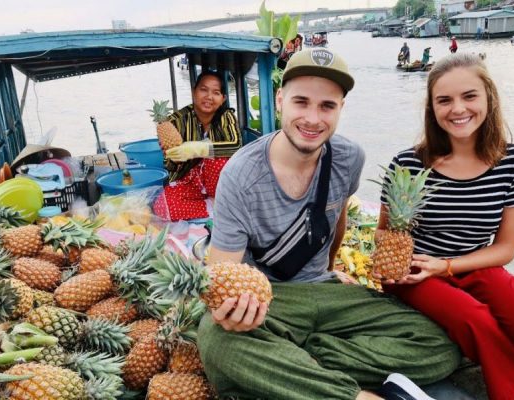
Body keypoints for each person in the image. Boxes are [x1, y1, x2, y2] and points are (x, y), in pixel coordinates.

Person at [197, 48, 461, 400]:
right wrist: (230, 313)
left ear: (340, 110)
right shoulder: (239, 176)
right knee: (215, 338)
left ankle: (294, 365)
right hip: (273, 300)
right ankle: (355, 395)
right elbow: (220, 278)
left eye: (327, 106)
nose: (312, 118)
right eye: (301, 102)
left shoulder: (349, 157)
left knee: (439, 347)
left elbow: (336, 218)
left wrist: (333, 268)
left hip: (328, 292)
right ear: (280, 101)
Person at [377, 53, 514, 400]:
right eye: (444, 100)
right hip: (415, 272)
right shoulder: (407, 163)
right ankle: (511, 387)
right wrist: (412, 265)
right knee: (474, 319)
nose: (457, 109)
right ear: (432, 108)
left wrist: (447, 266)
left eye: (469, 96)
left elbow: (505, 249)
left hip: (476, 266)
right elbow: (384, 233)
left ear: (489, 97)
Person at [153, 70, 241, 221]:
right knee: (162, 206)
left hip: (220, 183)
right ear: (194, 92)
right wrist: (175, 157)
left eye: (216, 92)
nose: (209, 97)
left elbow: (236, 145)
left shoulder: (226, 117)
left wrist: (199, 149)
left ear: (223, 98)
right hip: (190, 180)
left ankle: (217, 201)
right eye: (203, 90)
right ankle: (213, 207)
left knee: (216, 156)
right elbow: (170, 166)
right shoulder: (175, 121)